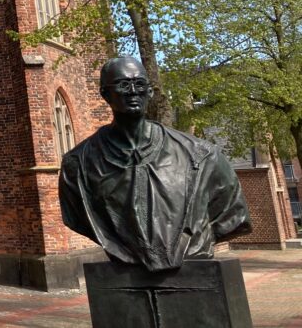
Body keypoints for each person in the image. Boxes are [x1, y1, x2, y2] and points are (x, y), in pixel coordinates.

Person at [59, 56, 251, 272]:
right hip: (125, 275)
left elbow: (233, 217)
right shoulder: (77, 165)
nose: (133, 91)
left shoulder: (201, 155)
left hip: (195, 269)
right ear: (105, 94)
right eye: (123, 85)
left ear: (150, 91)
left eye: (140, 84)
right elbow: (77, 218)